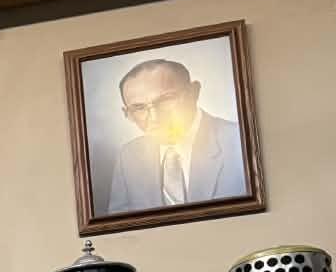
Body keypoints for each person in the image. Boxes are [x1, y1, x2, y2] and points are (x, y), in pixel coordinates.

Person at [103, 56, 247, 214]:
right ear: (127, 113)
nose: (155, 118)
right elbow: (121, 231)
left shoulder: (240, 141)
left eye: (165, 100)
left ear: (194, 92)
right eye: (139, 108)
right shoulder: (128, 156)